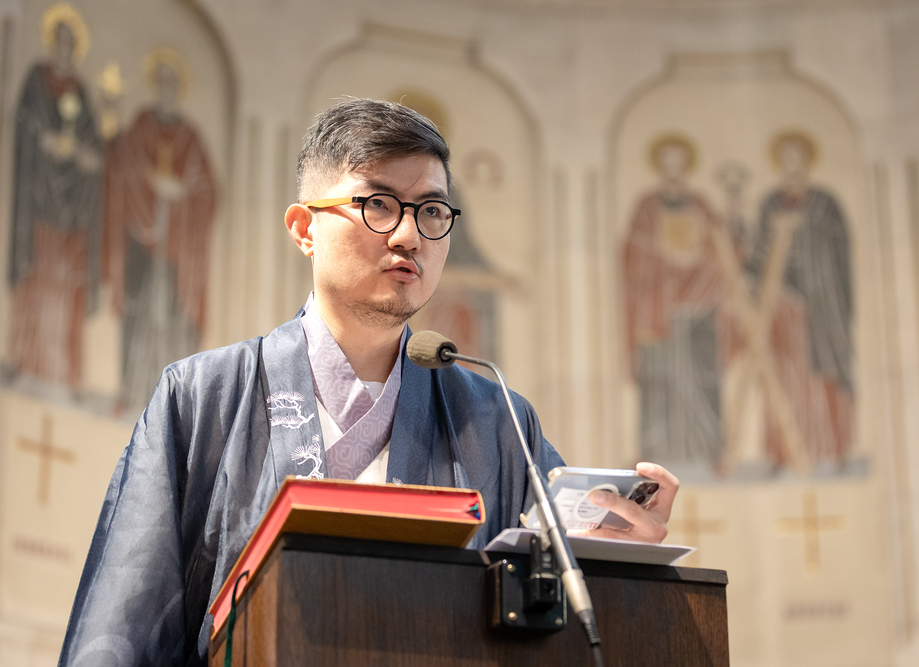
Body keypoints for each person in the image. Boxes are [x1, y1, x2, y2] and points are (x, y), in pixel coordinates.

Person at [60, 99, 679, 666]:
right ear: (304, 228)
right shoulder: (204, 398)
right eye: (377, 204)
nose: (409, 235)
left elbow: (565, 618)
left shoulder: (497, 421)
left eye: (431, 211)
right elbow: (121, 631)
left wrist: (617, 554)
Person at [102, 48, 217, 411]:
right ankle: (131, 390)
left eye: (172, 82)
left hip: (176, 252)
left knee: (172, 316)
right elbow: (122, 165)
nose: (167, 88)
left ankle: (170, 405)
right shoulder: (141, 126)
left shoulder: (190, 137)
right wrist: (151, 184)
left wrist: (180, 194)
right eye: (161, 81)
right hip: (140, 242)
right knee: (136, 312)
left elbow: (209, 190)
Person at [7, 4, 103, 390]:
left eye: (70, 43)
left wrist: (82, 155)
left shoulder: (81, 92)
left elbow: (94, 150)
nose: (64, 49)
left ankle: (62, 370)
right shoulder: (36, 80)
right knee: (38, 277)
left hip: (71, 211)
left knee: (65, 284)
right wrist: (43, 141)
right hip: (39, 204)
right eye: (59, 41)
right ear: (51, 43)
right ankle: (26, 360)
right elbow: (24, 124)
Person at [745, 131, 853, 470]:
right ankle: (782, 453)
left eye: (797, 158)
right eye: (786, 159)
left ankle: (833, 451)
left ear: (807, 161)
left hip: (821, 308)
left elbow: (837, 251)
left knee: (824, 374)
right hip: (783, 309)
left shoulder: (824, 204)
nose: (792, 166)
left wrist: (803, 231)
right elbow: (758, 256)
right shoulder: (770, 205)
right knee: (784, 378)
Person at [622, 134, 731, 471]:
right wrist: (666, 266)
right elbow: (634, 255)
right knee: (660, 384)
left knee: (702, 381)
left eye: (679, 164)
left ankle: (710, 451)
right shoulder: (647, 207)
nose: (673, 171)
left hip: (699, 311)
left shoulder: (701, 206)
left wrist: (697, 274)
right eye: (667, 164)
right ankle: (655, 456)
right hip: (657, 312)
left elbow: (722, 253)